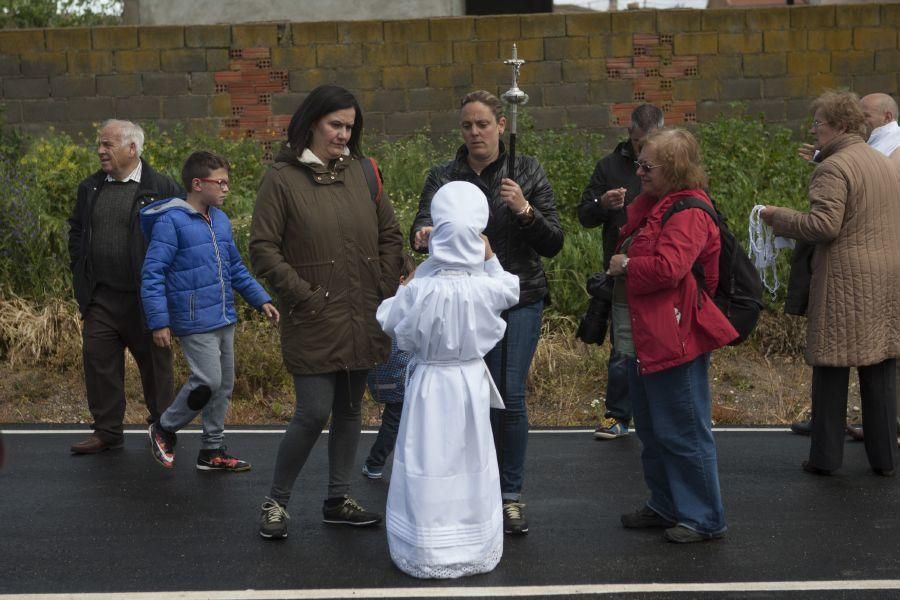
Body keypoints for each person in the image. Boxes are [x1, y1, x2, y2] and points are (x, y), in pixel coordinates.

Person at [250, 85, 404, 539]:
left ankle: (338, 499)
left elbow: (390, 235)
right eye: (336, 124)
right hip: (314, 315)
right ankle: (276, 501)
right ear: (312, 121)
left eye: (349, 127)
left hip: (363, 311)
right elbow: (262, 248)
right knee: (314, 412)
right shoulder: (282, 178)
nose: (343, 134)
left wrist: (382, 287)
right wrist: (304, 295)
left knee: (352, 408)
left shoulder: (363, 172)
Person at [410, 90, 563, 536]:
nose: (474, 132)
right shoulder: (444, 176)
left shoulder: (526, 171)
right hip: (462, 303)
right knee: (472, 398)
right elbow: (422, 224)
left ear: (501, 124)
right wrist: (422, 234)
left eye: (482, 124)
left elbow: (553, 242)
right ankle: (475, 490)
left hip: (517, 298)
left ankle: (510, 495)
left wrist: (524, 210)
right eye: (466, 125)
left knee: (509, 395)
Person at [380, 181, 520, 578]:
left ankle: (425, 542)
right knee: (469, 456)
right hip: (469, 382)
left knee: (427, 456)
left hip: (429, 384)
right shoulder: (485, 287)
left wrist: (418, 273)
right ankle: (471, 539)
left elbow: (388, 319)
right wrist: (488, 259)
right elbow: (511, 288)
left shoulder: (421, 288)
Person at [760, 91, 900, 477]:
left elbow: (824, 226)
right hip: (887, 277)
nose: (814, 129)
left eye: (818, 123)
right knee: (880, 369)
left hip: (846, 280)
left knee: (831, 368)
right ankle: (885, 458)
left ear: (839, 125)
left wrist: (777, 217)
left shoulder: (834, 168)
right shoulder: (883, 162)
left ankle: (825, 458)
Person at [610, 128, 738, 543]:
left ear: (676, 170)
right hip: (650, 335)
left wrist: (626, 266)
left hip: (675, 336)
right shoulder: (656, 207)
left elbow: (668, 268)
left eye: (649, 166)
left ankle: (704, 518)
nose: (640, 172)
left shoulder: (689, 213)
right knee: (652, 430)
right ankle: (666, 505)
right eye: (639, 163)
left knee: (683, 432)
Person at [140, 151, 280, 471]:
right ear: (198, 183)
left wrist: (262, 300)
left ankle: (212, 451)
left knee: (223, 385)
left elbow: (235, 267)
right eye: (221, 182)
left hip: (223, 315)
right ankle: (164, 427)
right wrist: (159, 321)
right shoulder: (170, 221)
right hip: (193, 318)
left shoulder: (220, 220)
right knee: (207, 381)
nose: (226, 189)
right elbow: (153, 273)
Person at [67, 119, 183, 454]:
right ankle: (107, 432)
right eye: (100, 144)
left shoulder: (161, 188)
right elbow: (77, 231)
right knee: (98, 360)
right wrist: (81, 274)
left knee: (156, 367)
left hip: (146, 299)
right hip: (101, 297)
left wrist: (168, 294)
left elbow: (182, 239)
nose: (100, 151)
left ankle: (164, 429)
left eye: (108, 145)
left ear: (132, 148)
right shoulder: (90, 188)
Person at [578, 104, 663, 440]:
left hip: (659, 271)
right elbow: (583, 215)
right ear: (630, 134)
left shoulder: (670, 168)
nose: (644, 152)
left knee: (661, 343)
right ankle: (617, 414)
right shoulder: (609, 166)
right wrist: (603, 204)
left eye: (651, 142)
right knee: (623, 348)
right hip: (621, 275)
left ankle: (657, 413)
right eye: (640, 142)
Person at [361, 253, 417, 480]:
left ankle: (375, 463)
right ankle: (376, 463)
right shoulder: (402, 306)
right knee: (396, 423)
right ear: (402, 279)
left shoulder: (379, 306)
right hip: (401, 376)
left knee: (394, 421)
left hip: (384, 376)